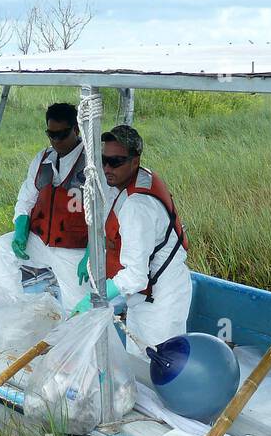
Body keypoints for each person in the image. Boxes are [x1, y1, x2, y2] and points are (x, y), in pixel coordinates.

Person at [74, 124, 192, 356]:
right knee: (137, 362)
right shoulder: (126, 181)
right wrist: (91, 250)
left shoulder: (137, 207)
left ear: (134, 161)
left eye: (115, 161)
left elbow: (136, 276)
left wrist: (98, 297)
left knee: (159, 367)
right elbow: (106, 215)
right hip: (146, 296)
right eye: (103, 159)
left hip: (160, 299)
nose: (107, 167)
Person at [0, 102, 87, 310]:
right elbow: (26, 199)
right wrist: (20, 230)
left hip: (75, 249)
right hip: (42, 240)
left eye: (62, 134)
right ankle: (10, 316)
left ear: (76, 130)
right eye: (51, 134)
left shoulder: (91, 164)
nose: (56, 140)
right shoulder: (42, 159)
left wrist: (92, 252)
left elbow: (105, 213)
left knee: (79, 311)